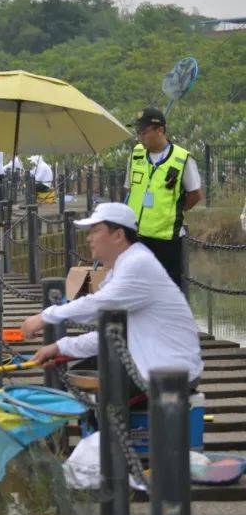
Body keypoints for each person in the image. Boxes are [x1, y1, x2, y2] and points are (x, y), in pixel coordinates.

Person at [20, 202, 203, 390]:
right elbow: (111, 335)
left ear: (118, 235)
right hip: (152, 363)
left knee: (90, 387)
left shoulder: (137, 264)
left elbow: (98, 306)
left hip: (172, 374)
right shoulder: (124, 266)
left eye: (96, 231)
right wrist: (60, 348)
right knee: (80, 376)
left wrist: (45, 317)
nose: (89, 238)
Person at [122, 107, 203, 287]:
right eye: (137, 133)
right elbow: (130, 190)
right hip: (137, 237)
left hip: (167, 241)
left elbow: (196, 194)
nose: (139, 137)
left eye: (143, 132)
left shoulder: (182, 159)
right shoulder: (136, 155)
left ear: (160, 130)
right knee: (137, 291)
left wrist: (176, 210)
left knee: (167, 291)